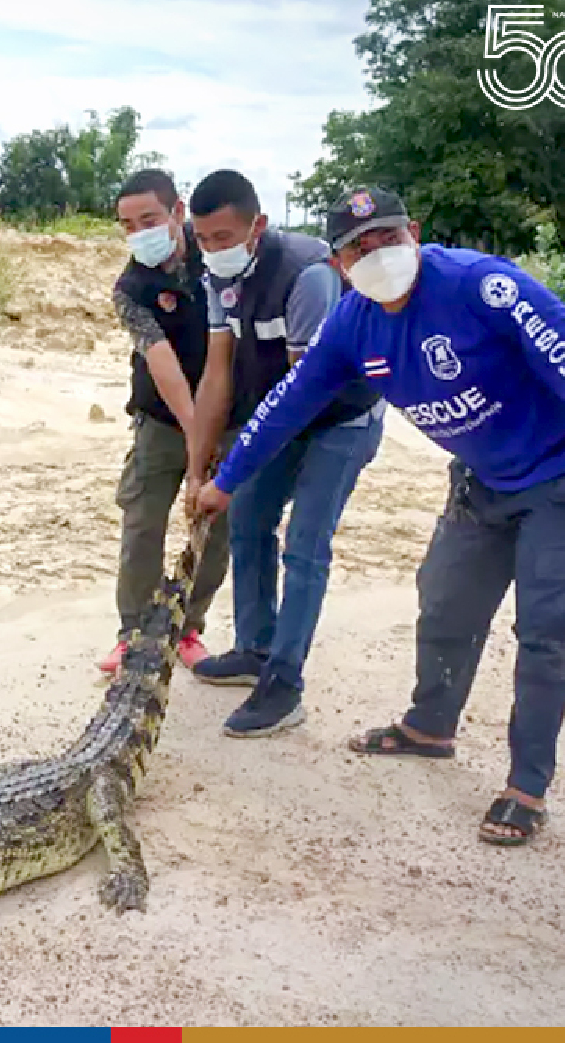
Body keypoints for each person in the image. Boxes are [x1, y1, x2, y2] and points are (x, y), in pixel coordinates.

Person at [191, 185, 565, 846]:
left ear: (412, 230)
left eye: (384, 236)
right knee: (444, 605)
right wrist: (227, 482)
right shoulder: (354, 322)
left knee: (547, 633)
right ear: (339, 262)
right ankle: (429, 728)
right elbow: (290, 400)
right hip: (481, 482)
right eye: (356, 246)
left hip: (561, 475)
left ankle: (526, 787)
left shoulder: (477, 284)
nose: (373, 252)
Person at [179, 169, 387, 738]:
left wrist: (234, 470)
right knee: (247, 521)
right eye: (202, 239)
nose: (212, 250)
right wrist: (198, 472)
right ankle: (255, 648)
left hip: (341, 418)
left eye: (223, 238)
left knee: (305, 543)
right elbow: (216, 374)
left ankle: (285, 681)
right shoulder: (219, 278)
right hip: (284, 413)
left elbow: (304, 395)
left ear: (258, 226)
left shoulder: (307, 276)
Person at [100, 168, 233, 676]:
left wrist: (210, 440)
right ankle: (132, 633)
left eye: (149, 218)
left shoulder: (218, 259)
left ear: (178, 211)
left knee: (215, 526)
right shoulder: (131, 288)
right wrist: (194, 437)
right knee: (142, 524)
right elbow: (163, 364)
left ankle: (187, 627)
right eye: (127, 224)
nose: (139, 233)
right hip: (161, 419)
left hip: (226, 416)